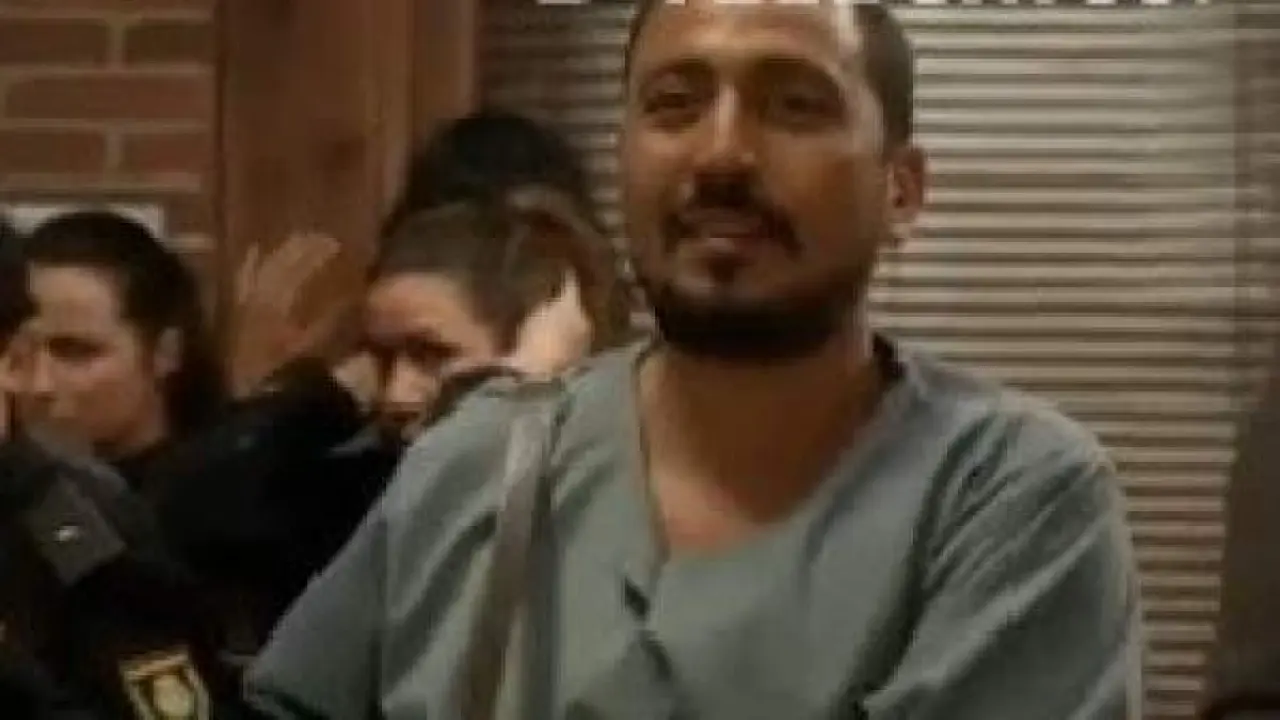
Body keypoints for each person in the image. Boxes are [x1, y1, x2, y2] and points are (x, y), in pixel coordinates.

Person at [246, 2, 1142, 718]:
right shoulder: (471, 468)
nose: (721, 154)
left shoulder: (1012, 500)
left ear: (900, 191)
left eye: (794, 105)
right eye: (674, 105)